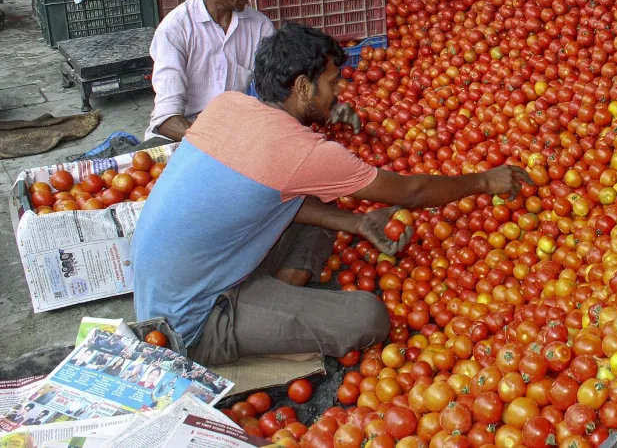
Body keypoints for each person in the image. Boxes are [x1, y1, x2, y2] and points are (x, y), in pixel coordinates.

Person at [131, 24, 534, 366]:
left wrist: (357, 224)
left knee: (320, 209)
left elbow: (266, 198)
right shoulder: (300, 150)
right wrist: (484, 181)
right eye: (333, 82)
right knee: (368, 317)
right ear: (303, 87)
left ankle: (279, 302)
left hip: (187, 275)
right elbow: (413, 191)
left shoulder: (226, 105)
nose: (339, 91)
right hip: (191, 321)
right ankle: (271, 322)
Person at [144, 0, 275, 146]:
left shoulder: (260, 26)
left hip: (232, 132)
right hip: (185, 134)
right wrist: (213, 143)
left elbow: (274, 89)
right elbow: (166, 118)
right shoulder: (175, 29)